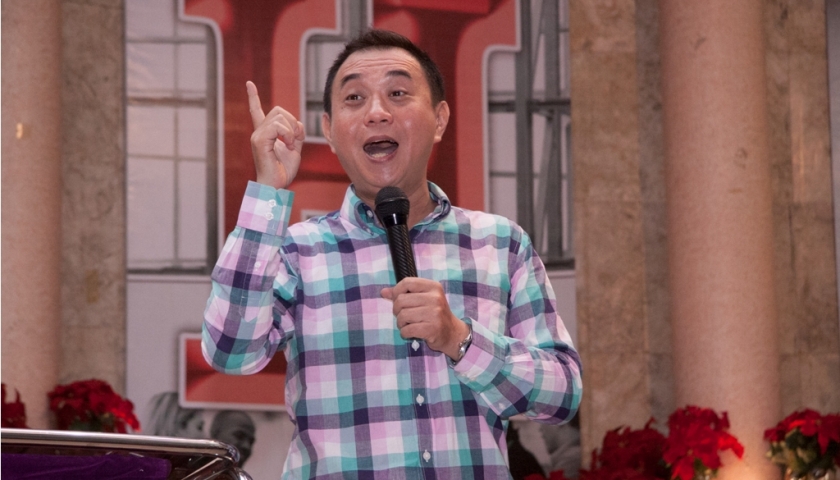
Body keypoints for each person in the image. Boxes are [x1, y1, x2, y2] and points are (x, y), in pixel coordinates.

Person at [203, 29, 582, 479]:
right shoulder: (296, 251)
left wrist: (460, 339)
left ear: (439, 119)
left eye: (398, 93)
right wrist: (268, 191)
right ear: (329, 130)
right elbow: (229, 352)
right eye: (354, 98)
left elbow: (561, 395)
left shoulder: (500, 244)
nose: (377, 112)